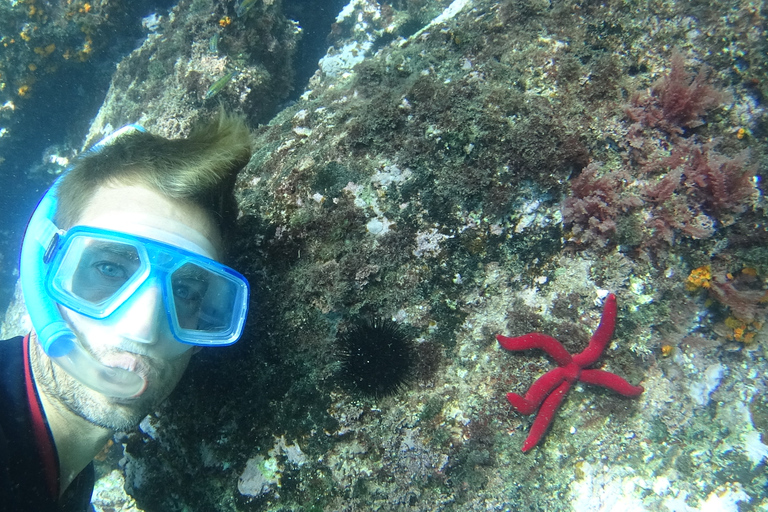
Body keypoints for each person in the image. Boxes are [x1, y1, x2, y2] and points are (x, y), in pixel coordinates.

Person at [0, 112, 252, 511]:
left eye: (185, 290)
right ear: (44, 272)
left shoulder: (66, 475)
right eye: (109, 268)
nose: (144, 328)